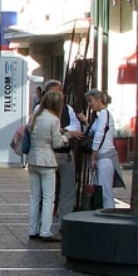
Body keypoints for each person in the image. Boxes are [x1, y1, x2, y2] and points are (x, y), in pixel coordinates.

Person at [26, 90, 67, 241]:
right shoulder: (54, 119)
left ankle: (32, 229)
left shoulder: (35, 117)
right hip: (47, 160)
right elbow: (56, 143)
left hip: (33, 159)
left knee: (34, 197)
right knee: (49, 197)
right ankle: (45, 231)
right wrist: (66, 137)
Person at [41, 79, 83, 225]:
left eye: (61, 93)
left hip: (65, 154)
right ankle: (43, 223)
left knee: (68, 191)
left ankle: (65, 222)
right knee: (47, 192)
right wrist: (65, 131)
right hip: (48, 154)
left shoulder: (67, 109)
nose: (59, 96)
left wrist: (63, 130)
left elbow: (76, 127)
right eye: (55, 93)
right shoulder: (40, 110)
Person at [85, 89, 124, 209]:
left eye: (90, 100)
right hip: (102, 157)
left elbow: (99, 135)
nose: (89, 104)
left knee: (105, 192)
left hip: (104, 157)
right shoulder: (101, 116)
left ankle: (109, 213)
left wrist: (93, 155)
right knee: (102, 191)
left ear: (98, 100)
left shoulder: (103, 114)